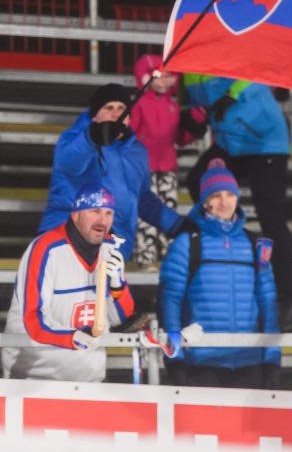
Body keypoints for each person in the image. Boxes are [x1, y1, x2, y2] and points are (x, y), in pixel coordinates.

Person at [180, 74, 292, 331]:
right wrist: (194, 119)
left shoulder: (224, 42)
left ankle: (289, 299)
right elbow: (196, 106)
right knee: (197, 181)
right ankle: (218, 242)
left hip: (264, 141)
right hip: (229, 143)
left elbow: (259, 72)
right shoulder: (188, 70)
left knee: (273, 219)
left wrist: (231, 95)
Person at [158, 159, 280, 389]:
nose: (224, 201)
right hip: (201, 365)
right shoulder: (186, 244)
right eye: (216, 195)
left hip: (249, 363)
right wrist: (175, 360)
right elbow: (170, 302)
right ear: (205, 202)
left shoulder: (255, 244)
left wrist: (272, 359)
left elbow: (268, 305)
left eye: (230, 194)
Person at [38, 83, 184, 263]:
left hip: (115, 246)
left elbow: (143, 199)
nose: (116, 114)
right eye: (109, 108)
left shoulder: (137, 150)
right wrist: (92, 138)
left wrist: (177, 225)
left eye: (122, 108)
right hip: (68, 242)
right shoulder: (75, 137)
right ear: (95, 115)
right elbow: (69, 163)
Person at [3, 185, 133, 382]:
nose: (102, 220)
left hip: (90, 380)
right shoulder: (45, 250)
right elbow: (33, 320)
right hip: (33, 380)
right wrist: (72, 338)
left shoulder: (110, 249)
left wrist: (118, 288)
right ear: (75, 215)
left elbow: (119, 317)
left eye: (108, 213)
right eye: (95, 211)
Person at [130, 54, 203, 269]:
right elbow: (131, 132)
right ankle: (146, 258)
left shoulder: (174, 107)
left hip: (168, 167)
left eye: (168, 76)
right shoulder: (139, 103)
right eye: (157, 76)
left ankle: (169, 257)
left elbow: (180, 138)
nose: (163, 81)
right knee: (146, 214)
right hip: (145, 167)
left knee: (169, 210)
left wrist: (196, 127)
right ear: (144, 77)